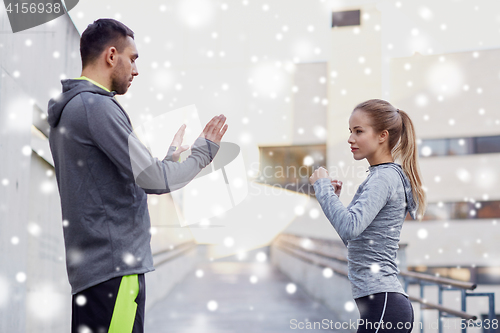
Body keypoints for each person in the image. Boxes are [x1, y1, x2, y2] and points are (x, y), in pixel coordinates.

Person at [47, 18, 228, 333]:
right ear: (111, 56)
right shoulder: (96, 107)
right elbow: (154, 180)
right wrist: (203, 153)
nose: (136, 69)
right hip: (114, 271)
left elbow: (110, 182)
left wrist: (169, 159)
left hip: (95, 273)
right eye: (133, 58)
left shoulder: (72, 109)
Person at [309, 99, 426, 332]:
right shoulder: (380, 177)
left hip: (383, 304)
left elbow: (349, 228)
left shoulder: (383, 179)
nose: (351, 139)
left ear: (382, 136)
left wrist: (322, 189)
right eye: (350, 132)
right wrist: (333, 200)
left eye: (358, 131)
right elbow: (354, 240)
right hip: (381, 304)